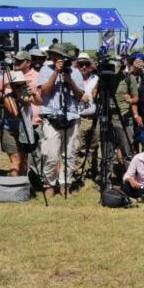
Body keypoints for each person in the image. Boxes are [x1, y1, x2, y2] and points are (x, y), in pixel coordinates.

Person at [38, 44, 85, 196]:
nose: (56, 58)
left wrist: (69, 80)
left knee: (70, 153)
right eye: (53, 55)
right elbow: (45, 91)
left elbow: (80, 96)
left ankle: (66, 183)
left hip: (71, 116)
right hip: (51, 116)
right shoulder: (45, 70)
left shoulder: (75, 72)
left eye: (59, 56)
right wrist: (56, 73)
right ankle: (49, 184)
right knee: (50, 154)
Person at [1, 71, 39, 177]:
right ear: (13, 86)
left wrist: (33, 94)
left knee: (23, 160)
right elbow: (16, 114)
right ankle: (14, 187)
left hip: (24, 131)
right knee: (16, 160)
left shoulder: (27, 95)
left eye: (23, 84)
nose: (20, 87)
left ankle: (21, 186)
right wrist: (23, 101)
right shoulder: (7, 98)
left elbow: (40, 102)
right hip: (10, 132)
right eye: (17, 85)